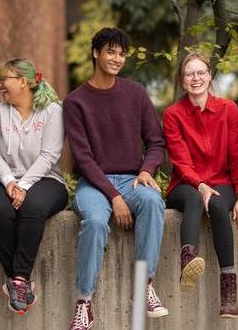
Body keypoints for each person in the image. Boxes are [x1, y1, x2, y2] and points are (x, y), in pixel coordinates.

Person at [63, 28, 168, 330]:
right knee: (95, 222)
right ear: (96, 53)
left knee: (152, 201)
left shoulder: (135, 93)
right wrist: (114, 196)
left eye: (122, 54)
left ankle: (144, 286)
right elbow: (83, 158)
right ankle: (84, 302)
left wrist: (147, 170)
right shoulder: (75, 102)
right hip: (94, 184)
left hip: (133, 179)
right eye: (111, 51)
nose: (117, 58)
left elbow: (156, 141)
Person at [162, 52, 238, 318]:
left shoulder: (228, 109)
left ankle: (229, 291)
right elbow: (180, 160)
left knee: (217, 205)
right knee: (195, 198)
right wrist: (199, 184)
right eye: (190, 74)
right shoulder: (173, 114)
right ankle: (188, 260)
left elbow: (237, 158)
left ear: (210, 76)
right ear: (182, 79)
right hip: (184, 183)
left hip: (221, 181)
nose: (196, 78)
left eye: (201, 72)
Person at [0, 58, 67, 315]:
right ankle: (19, 282)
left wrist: (24, 186)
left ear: (23, 82)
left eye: (4, 80)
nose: (0, 86)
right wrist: (9, 182)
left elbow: (49, 155)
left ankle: (17, 278)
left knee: (32, 206)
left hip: (46, 179)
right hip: (2, 179)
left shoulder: (52, 111)